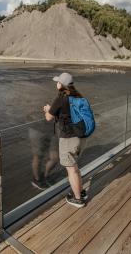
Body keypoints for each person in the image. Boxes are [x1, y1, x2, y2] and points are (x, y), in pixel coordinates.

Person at [43, 72, 88, 208]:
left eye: (58, 82)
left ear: (61, 85)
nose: (56, 84)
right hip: (81, 136)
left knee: (71, 170)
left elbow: (49, 117)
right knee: (75, 167)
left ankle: (78, 199)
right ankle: (81, 192)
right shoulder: (77, 95)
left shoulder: (61, 98)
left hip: (69, 139)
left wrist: (46, 109)